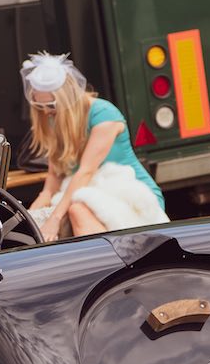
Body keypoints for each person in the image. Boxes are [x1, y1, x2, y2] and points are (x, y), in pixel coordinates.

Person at [22, 52, 168, 241]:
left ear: (67, 97)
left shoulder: (103, 114)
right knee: (63, 214)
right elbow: (50, 187)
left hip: (134, 198)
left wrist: (55, 219)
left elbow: (85, 172)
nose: (47, 112)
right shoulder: (54, 119)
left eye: (51, 105)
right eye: (40, 106)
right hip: (87, 195)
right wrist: (28, 221)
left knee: (76, 209)